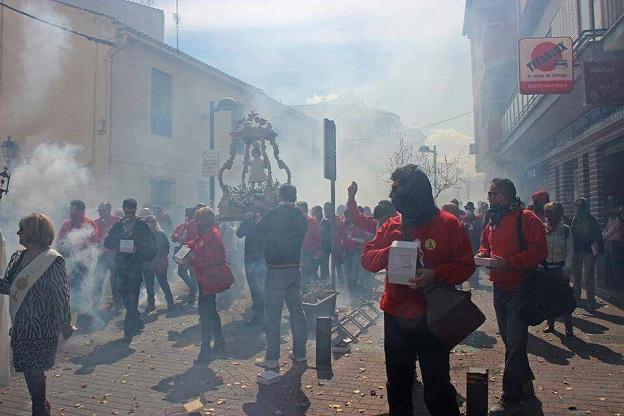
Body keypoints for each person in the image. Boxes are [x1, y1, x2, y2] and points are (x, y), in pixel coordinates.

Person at [361, 165, 474, 416]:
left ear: (416, 192)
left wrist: (435, 274)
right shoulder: (391, 225)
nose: (392, 195)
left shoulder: (449, 224)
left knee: (437, 385)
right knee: (399, 384)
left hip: (433, 317)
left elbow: (466, 266)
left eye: (397, 189)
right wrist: (388, 253)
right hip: (395, 316)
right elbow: (367, 259)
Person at [477, 178, 547, 416]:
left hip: (520, 288)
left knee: (515, 344)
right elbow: (485, 245)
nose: (489, 197)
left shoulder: (527, 219)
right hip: (499, 288)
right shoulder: (493, 219)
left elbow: (539, 251)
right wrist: (483, 256)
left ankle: (509, 397)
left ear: (506, 195)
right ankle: (526, 387)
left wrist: (509, 263)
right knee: (510, 341)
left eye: (493, 193)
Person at [0, 213, 74, 416]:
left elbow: (61, 295)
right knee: (29, 370)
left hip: (43, 326)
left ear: (33, 232)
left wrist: (65, 323)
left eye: (22, 229)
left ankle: (39, 408)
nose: (18, 233)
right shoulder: (18, 256)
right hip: (21, 325)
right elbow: (9, 286)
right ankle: (40, 403)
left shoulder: (52, 260)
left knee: (35, 370)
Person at [255, 184, 308, 370]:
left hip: (276, 270)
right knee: (297, 312)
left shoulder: (274, 214)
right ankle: (300, 354)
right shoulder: (301, 216)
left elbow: (257, 231)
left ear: (280, 196)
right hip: (294, 268)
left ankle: (271, 358)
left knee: (273, 315)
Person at [105, 198, 156, 342]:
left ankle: (128, 330)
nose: (128, 213)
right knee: (125, 299)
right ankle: (137, 320)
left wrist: (137, 248)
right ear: (123, 208)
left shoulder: (141, 226)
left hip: (135, 267)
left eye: (131, 210)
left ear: (135, 209)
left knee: (132, 298)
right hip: (121, 267)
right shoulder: (117, 226)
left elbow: (151, 247)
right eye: (126, 210)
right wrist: (121, 240)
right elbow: (108, 243)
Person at [186, 207, 232, 362]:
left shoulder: (212, 235)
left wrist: (192, 259)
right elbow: (196, 243)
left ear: (204, 220)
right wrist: (187, 247)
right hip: (204, 280)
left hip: (209, 279)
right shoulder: (206, 234)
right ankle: (219, 343)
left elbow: (211, 260)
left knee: (206, 315)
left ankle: (205, 349)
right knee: (210, 312)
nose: (195, 223)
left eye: (197, 219)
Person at [57, 200, 99, 325]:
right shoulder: (66, 225)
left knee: (81, 287)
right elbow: (59, 242)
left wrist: (81, 245)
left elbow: (94, 242)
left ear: (81, 211)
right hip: (69, 261)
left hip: (84, 262)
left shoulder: (89, 223)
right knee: (70, 288)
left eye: (74, 209)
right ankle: (71, 314)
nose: (72, 212)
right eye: (71, 209)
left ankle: (84, 316)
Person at [542, 202, 575, 337]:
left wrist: (567, 269)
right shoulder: (543, 229)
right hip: (547, 268)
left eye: (552, 213)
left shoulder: (566, 230)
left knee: (564, 299)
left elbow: (570, 251)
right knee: (549, 298)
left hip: (561, 269)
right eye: (547, 213)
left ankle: (568, 327)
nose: (549, 217)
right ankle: (550, 323)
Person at [571, 197, 603, 311]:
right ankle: (576, 299)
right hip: (577, 251)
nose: (578, 208)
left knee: (588, 276)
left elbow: (598, 235)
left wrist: (600, 250)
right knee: (577, 277)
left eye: (580, 206)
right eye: (577, 205)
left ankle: (590, 301)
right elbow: (572, 236)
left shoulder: (591, 220)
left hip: (588, 251)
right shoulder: (575, 219)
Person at [237, 205, 266, 325]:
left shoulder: (267, 220)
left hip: (263, 259)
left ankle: (265, 317)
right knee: (254, 287)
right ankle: (258, 314)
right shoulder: (248, 221)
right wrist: (246, 222)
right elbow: (239, 234)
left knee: (263, 287)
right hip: (250, 258)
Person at [143, 215, 175, 312]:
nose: (151, 224)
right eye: (149, 222)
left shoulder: (161, 234)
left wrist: (160, 257)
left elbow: (166, 247)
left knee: (163, 282)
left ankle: (170, 302)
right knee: (149, 284)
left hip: (159, 263)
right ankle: (151, 304)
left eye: (153, 221)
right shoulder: (143, 236)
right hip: (148, 263)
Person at [93, 202, 121, 311]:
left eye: (102, 210)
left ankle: (117, 303)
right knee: (98, 278)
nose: (100, 213)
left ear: (108, 210)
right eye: (99, 211)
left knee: (115, 280)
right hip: (102, 255)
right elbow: (93, 238)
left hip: (115, 255)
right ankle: (95, 303)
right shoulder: (95, 223)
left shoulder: (117, 220)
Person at [171, 208, 199, 304]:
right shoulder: (183, 225)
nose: (188, 216)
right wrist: (175, 236)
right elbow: (175, 233)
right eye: (187, 214)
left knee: (192, 273)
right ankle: (193, 289)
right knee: (181, 272)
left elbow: (195, 238)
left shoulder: (196, 225)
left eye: (190, 214)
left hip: (191, 250)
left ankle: (193, 293)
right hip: (182, 250)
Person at [341, 209, 368, 298]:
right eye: (346, 216)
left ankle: (354, 289)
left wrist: (355, 240)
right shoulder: (343, 225)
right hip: (346, 251)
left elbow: (365, 239)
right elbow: (339, 237)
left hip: (356, 250)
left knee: (354, 270)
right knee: (347, 271)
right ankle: (350, 289)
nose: (347, 218)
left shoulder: (358, 226)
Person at [298, 201, 321, 286]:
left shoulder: (311, 221)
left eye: (301, 209)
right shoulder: (295, 221)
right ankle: (307, 290)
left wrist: (318, 250)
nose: (299, 211)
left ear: (306, 209)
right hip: (299, 251)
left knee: (308, 271)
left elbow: (317, 237)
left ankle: (313, 289)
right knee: (303, 272)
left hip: (309, 251)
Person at [603, 197, 623, 290]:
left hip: (616, 245)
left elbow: (610, 232)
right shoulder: (611, 218)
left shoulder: (619, 218)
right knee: (609, 264)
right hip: (610, 243)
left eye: (611, 207)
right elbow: (606, 229)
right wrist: (603, 235)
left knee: (615, 265)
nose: (609, 209)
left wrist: (602, 236)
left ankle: (617, 284)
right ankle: (611, 283)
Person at [463, 201, 483, 289]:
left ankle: (474, 282)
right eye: (466, 209)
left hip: (475, 245)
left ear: (473, 210)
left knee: (475, 263)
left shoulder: (478, 220)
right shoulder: (462, 220)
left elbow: (480, 232)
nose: (468, 211)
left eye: (469, 209)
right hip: (465, 246)